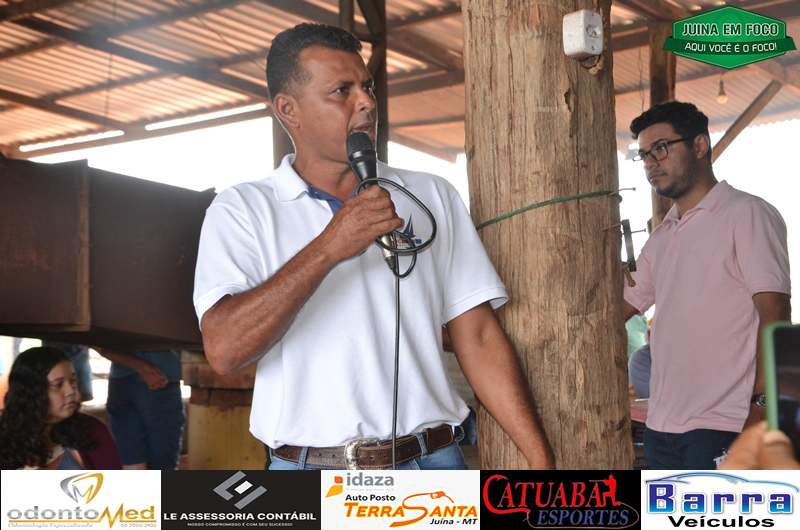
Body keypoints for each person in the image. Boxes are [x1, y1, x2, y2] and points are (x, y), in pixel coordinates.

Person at [193, 23, 554, 470]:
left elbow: (478, 336)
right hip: (312, 469)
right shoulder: (243, 209)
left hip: (432, 461)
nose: (365, 102)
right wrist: (330, 247)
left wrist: (540, 460)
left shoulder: (430, 194)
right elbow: (225, 350)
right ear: (288, 110)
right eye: (341, 91)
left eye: (366, 87)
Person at [623, 101, 791, 469]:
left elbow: (775, 314)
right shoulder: (662, 236)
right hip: (662, 428)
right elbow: (618, 308)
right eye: (644, 155)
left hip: (725, 423)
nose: (651, 163)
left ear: (699, 145)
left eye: (661, 148)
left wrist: (763, 407)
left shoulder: (746, 214)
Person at [0, 347, 121, 470]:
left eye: (73, 381)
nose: (70, 391)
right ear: (31, 391)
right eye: (58, 384)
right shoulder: (6, 439)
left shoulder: (92, 431)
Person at [98, 349, 184, 470]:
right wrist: (142, 367)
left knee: (132, 461)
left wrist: (137, 365)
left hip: (121, 380)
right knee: (163, 463)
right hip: (159, 377)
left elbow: (99, 345)